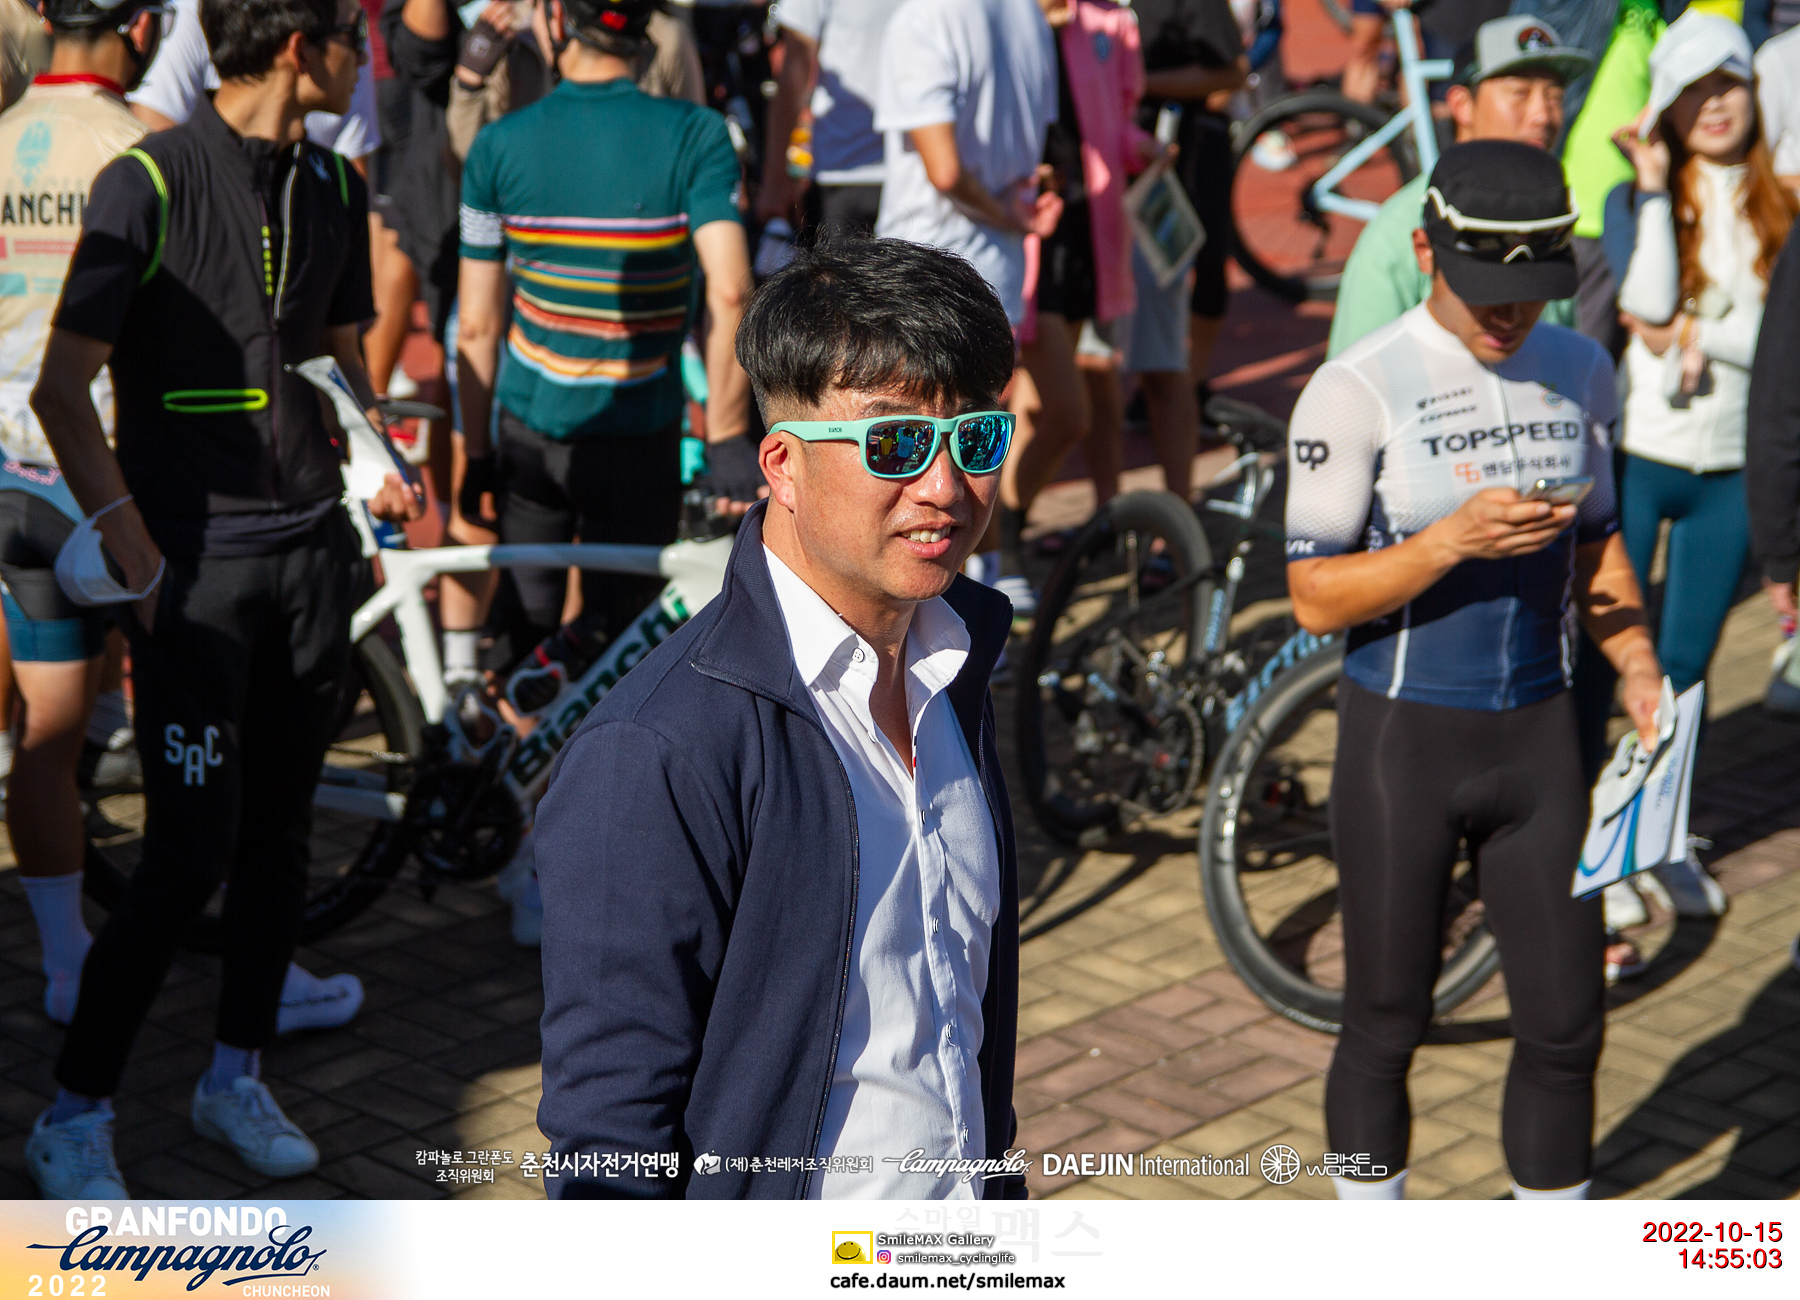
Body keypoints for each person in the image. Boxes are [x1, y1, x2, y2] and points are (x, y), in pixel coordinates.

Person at [26, 0, 419, 1198]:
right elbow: (60, 391)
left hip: (310, 559)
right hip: (194, 574)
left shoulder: (334, 184)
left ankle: (234, 1075)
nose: (368, 58)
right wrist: (137, 553)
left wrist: (376, 459)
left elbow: (341, 358)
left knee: (282, 837)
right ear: (300, 48)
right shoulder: (146, 180)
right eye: (354, 37)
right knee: (186, 852)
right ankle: (73, 1113)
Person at [535, 235, 1023, 1199]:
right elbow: (607, 1150)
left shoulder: (958, 661)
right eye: (895, 443)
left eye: (976, 439)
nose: (944, 487)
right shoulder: (660, 750)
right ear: (783, 466)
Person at [1284, 140, 1663, 1200]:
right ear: (1424, 253)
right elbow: (1313, 597)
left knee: (1568, 1025)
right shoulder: (1353, 387)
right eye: (1485, 288)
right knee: (1385, 1022)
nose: (1509, 315)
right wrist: (1447, 543)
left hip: (1542, 738)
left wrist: (1637, 659)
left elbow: (1598, 545)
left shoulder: (1581, 367)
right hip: (1405, 741)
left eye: (1530, 293)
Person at [455, 0, 751, 676]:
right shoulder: (698, 134)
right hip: (639, 433)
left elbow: (475, 324)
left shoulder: (496, 144)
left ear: (558, 19)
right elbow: (732, 291)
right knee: (624, 651)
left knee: (526, 633)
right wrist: (728, 433)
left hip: (529, 429)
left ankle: (510, 733)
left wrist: (475, 454)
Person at [0, 0, 161, 1029]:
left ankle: (66, 962)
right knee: (196, 722)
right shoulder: (146, 148)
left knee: (44, 734)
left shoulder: (1, 134)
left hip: (11, 468)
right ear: (140, 25)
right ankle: (250, 954)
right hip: (115, 475)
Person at [1612, 11, 1795, 912]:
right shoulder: (1637, 197)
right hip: (1640, 456)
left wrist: (1697, 332)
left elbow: (1776, 344)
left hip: (1729, 469)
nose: (1715, 105)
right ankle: (1600, 848)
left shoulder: (1784, 203)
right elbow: (1646, 302)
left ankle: (1658, 835)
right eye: (1692, 91)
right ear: (1665, 108)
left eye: (1728, 84)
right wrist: (1652, 188)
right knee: (1610, 656)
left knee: (1686, 664)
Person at [875, 0, 1057, 611]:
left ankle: (944, 601)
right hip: (997, 270)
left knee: (916, 449)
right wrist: (1013, 217)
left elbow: (945, 169)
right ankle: (987, 583)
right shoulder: (1029, 16)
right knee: (976, 440)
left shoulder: (923, 19)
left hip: (924, 271)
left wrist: (1003, 212)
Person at [1327, 13, 1592, 357]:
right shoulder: (1398, 233)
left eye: (1554, 97)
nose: (1543, 115)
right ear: (1462, 105)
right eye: (1520, 93)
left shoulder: (1551, 219)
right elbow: (1357, 371)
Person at [1002, 0, 1158, 570]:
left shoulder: (1105, 24)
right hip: (1022, 236)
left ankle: (1005, 545)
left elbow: (1115, 122)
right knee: (1065, 411)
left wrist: (1141, 147)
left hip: (1083, 233)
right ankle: (1002, 544)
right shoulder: (1004, 24)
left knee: (1048, 403)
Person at [755, 0, 896, 240]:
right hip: (858, 174)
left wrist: (775, 180)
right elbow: (796, 65)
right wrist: (776, 178)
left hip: (855, 172)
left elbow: (795, 65)